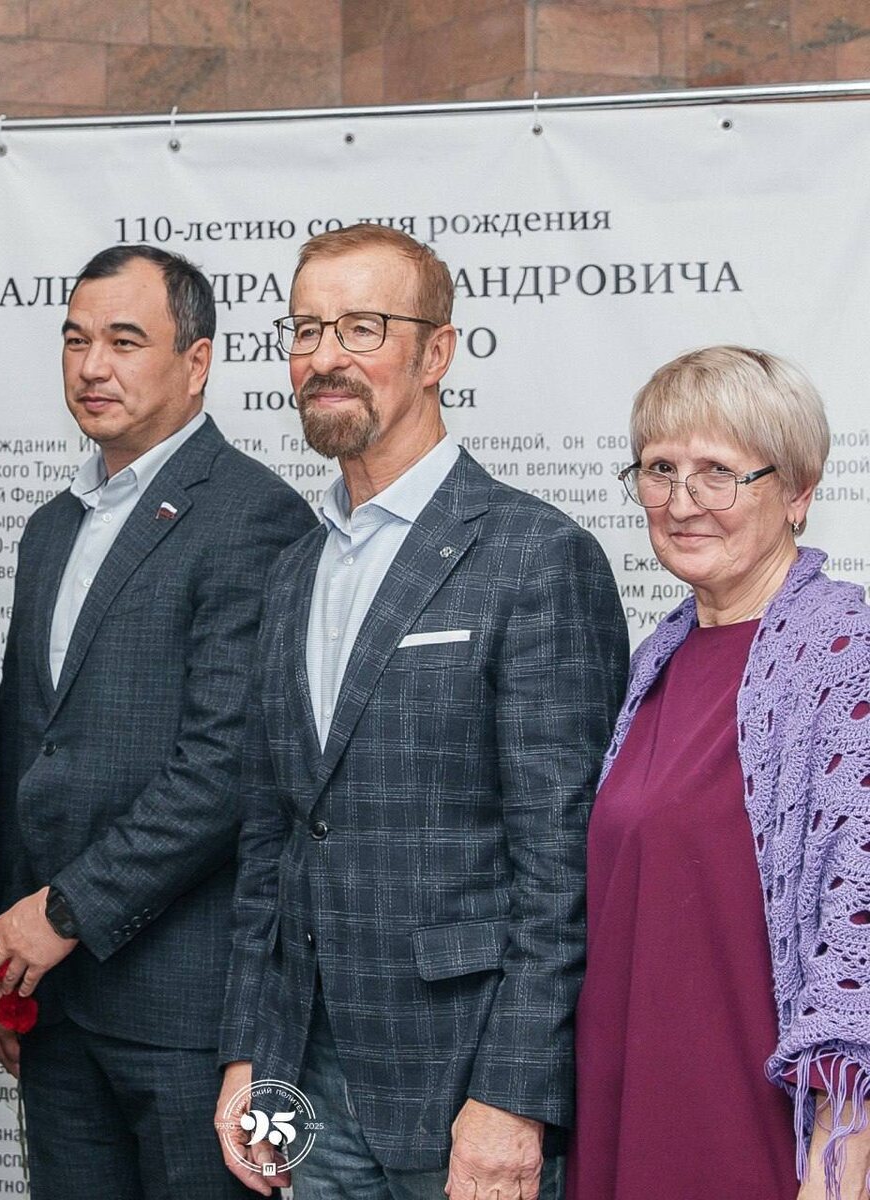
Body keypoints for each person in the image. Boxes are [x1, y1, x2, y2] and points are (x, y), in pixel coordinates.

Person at [214, 224, 629, 1200]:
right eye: (306, 329)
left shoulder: (536, 558)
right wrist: (249, 1057)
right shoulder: (294, 571)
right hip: (305, 1081)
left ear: (437, 352)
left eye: (362, 327)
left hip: (464, 1088)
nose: (325, 357)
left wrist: (514, 1098)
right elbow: (272, 839)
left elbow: (563, 868)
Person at [0, 244, 316, 1200]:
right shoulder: (50, 528)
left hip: (187, 1016)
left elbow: (224, 770)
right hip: (54, 1002)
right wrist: (11, 954)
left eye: (124, 341)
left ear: (196, 363)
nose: (92, 366)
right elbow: (27, 748)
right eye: (75, 340)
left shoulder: (253, 517)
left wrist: (61, 914)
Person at [568, 346, 870, 1200]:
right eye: (660, 469)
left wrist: (842, 1160)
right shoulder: (657, 659)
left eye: (718, 473)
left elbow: (860, 927)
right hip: (630, 1100)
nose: (682, 501)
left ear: (798, 492)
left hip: (755, 1130)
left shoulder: (844, 656)